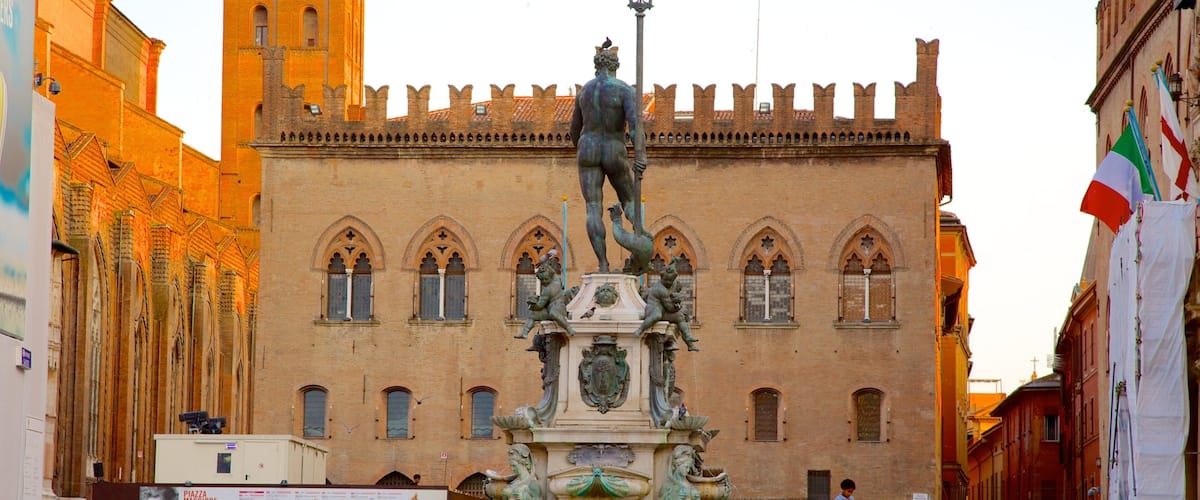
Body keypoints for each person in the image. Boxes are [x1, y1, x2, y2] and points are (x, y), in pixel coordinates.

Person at [570, 45, 645, 274]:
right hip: (614, 148)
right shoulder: (624, 90)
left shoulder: (584, 92)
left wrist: (582, 148)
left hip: (587, 148)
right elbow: (635, 126)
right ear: (615, 66)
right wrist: (641, 155)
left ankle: (603, 264)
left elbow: (574, 130)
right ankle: (641, 239)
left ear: (596, 66)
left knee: (593, 208)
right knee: (629, 200)